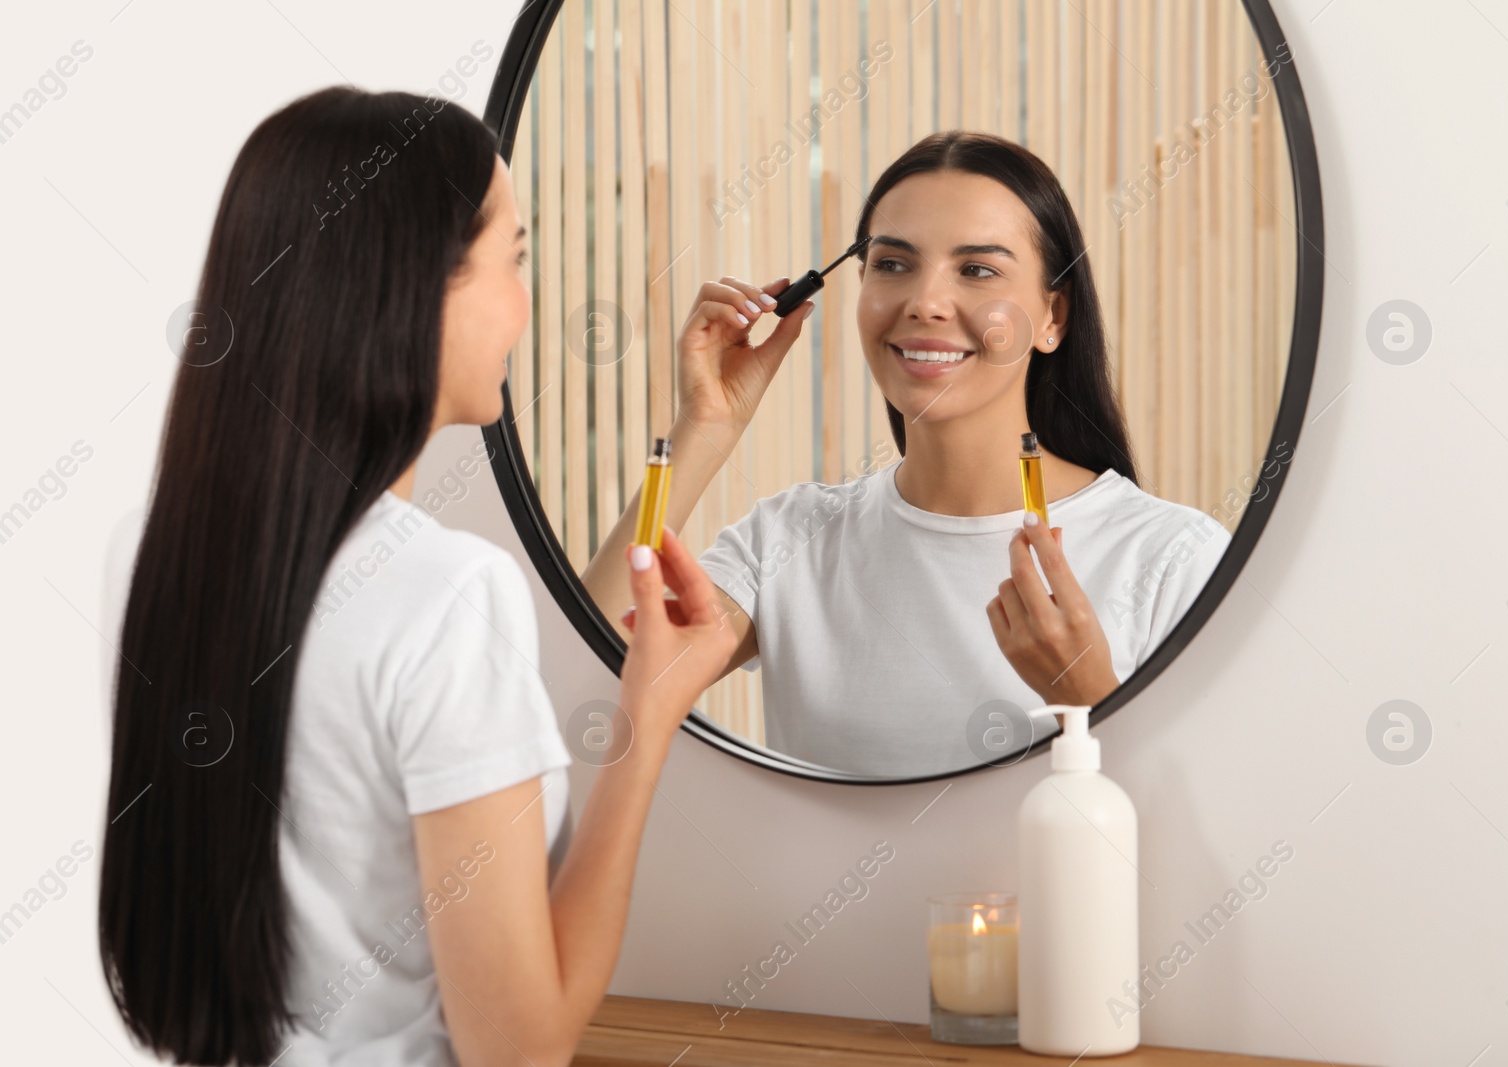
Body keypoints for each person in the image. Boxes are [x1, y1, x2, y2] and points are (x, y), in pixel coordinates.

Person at [98, 87, 733, 1067]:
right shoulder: (448, 591)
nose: (527, 301)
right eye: (514, 258)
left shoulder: (155, 550)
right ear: (414, 283)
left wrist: (705, 432)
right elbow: (517, 1049)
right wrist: (644, 724)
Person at [583, 132, 1229, 777]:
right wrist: (704, 427)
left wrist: (1086, 697)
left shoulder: (1171, 558)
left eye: (977, 270)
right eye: (893, 264)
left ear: (1053, 316)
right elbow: (586, 681)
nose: (924, 302)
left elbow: (1206, 829)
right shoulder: (788, 542)